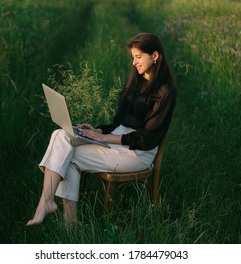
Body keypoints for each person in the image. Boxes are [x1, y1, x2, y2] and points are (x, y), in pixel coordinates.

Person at [27, 32, 177, 226]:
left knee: (67, 155)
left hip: (137, 153)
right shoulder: (136, 81)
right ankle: (63, 217)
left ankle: (53, 208)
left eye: (138, 57)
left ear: (154, 56)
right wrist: (98, 131)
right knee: (61, 136)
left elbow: (146, 139)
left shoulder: (166, 91)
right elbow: (119, 122)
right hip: (116, 141)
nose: (134, 63)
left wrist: (105, 138)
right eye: (133, 58)